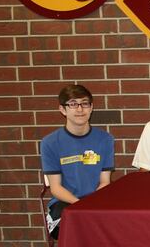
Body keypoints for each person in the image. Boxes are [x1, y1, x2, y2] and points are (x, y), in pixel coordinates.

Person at [41, 84, 114, 239]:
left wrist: (90, 205)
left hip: (95, 201)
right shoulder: (50, 143)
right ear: (63, 109)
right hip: (65, 203)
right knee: (76, 226)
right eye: (73, 104)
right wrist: (79, 206)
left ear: (91, 107)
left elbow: (105, 181)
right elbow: (55, 188)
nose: (80, 109)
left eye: (85, 103)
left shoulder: (105, 139)